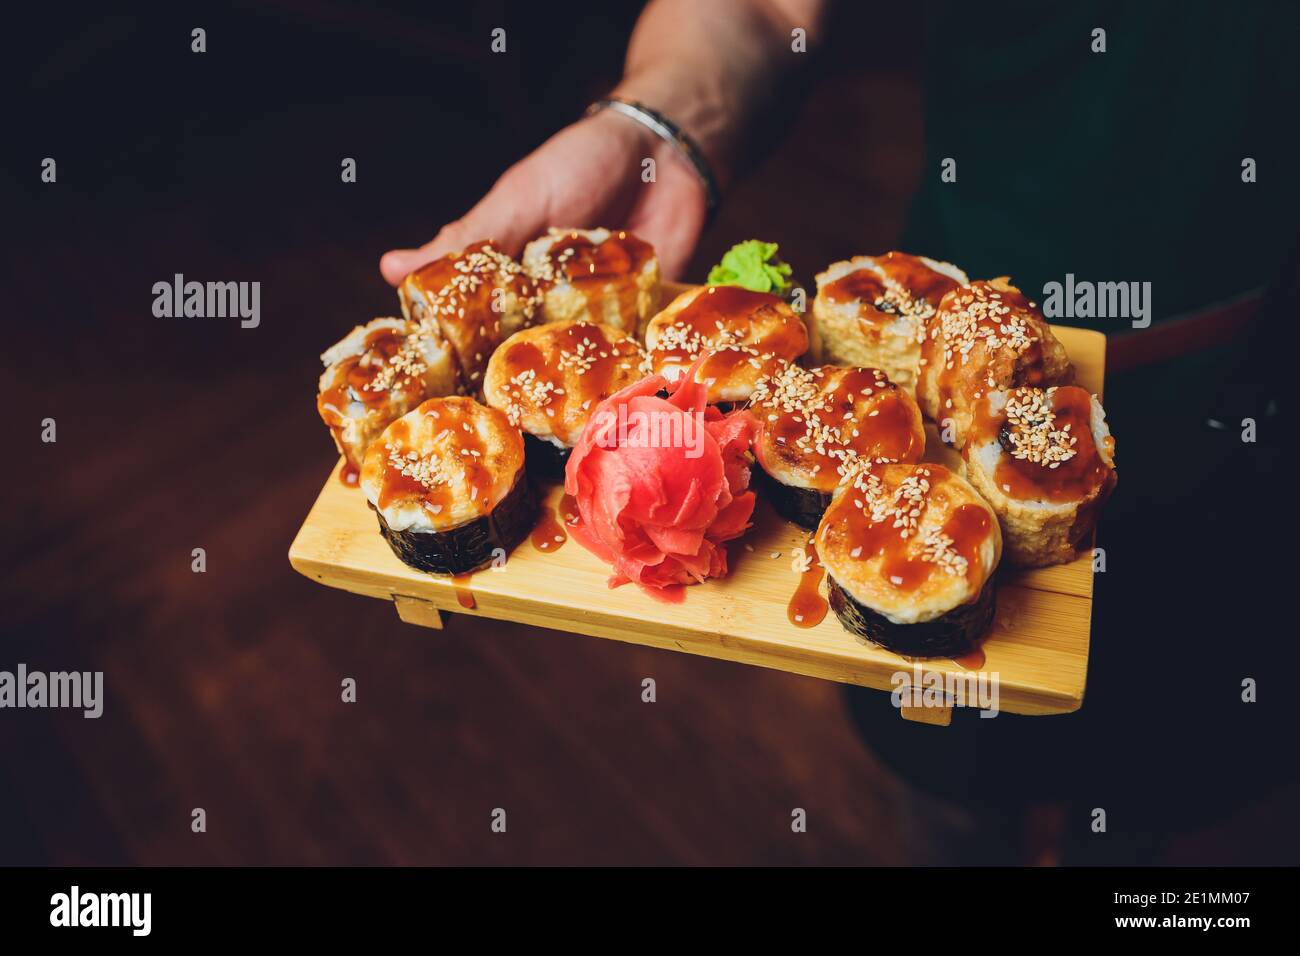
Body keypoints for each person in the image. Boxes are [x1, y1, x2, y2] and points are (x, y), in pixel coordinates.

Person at [382, 0, 1297, 863]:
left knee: (1173, 774)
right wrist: (649, 127)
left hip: (1264, 404)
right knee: (954, 786)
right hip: (934, 323)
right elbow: (771, 9)